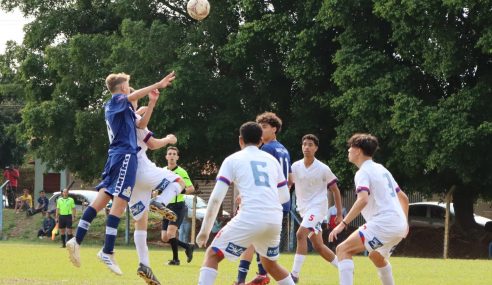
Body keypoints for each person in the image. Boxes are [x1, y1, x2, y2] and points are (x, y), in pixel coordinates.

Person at [66, 71, 176, 275]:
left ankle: (76, 239)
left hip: (115, 156)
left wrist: (147, 106)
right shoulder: (118, 99)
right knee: (119, 203)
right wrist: (157, 84)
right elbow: (136, 109)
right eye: (129, 85)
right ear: (124, 89)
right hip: (126, 156)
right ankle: (107, 251)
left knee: (101, 200)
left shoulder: (119, 109)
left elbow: (138, 119)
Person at [196, 121, 295, 285]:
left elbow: (215, 199)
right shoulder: (272, 160)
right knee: (270, 264)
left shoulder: (232, 160)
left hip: (250, 217)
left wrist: (204, 231)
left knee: (212, 254)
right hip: (274, 219)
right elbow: (285, 196)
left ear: (240, 140)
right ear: (261, 141)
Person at [329, 133, 409, 285]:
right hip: (398, 224)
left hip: (384, 222)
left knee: (343, 249)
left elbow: (363, 199)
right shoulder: (382, 169)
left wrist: (343, 224)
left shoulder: (363, 172)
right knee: (376, 256)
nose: (348, 151)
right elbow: (404, 198)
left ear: (358, 150)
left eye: (350, 148)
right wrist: (405, 224)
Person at [128, 97, 186, 285]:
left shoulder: (120, 120)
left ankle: (144, 264)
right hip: (143, 167)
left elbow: (136, 116)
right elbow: (152, 144)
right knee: (178, 181)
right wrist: (169, 139)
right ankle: (160, 201)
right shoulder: (136, 121)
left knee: (140, 222)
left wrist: (142, 109)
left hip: (129, 174)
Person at [235, 112, 292, 285]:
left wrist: (246, 195)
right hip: (281, 201)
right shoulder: (284, 149)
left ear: (275, 129)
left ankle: (241, 279)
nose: (261, 130)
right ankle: (261, 275)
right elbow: (290, 179)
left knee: (251, 239)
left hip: (266, 202)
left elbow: (261, 179)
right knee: (260, 241)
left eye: (265, 126)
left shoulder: (266, 149)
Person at [290, 134, 343, 283]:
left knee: (300, 234)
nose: (306, 147)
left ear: (316, 148)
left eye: (310, 144)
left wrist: (339, 214)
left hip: (318, 208)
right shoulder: (295, 166)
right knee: (318, 246)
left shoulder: (323, 168)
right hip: (304, 210)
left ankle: (294, 275)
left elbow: (335, 190)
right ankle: (344, 268)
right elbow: (288, 185)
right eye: (304, 144)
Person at [157, 146, 196, 266]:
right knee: (164, 237)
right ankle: (187, 246)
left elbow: (191, 188)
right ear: (166, 156)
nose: (172, 156)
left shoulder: (181, 172)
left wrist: (178, 191)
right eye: (170, 153)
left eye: (174, 154)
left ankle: (176, 260)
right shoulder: (163, 171)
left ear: (177, 157)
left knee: (170, 234)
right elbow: (159, 188)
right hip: (166, 207)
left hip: (178, 206)